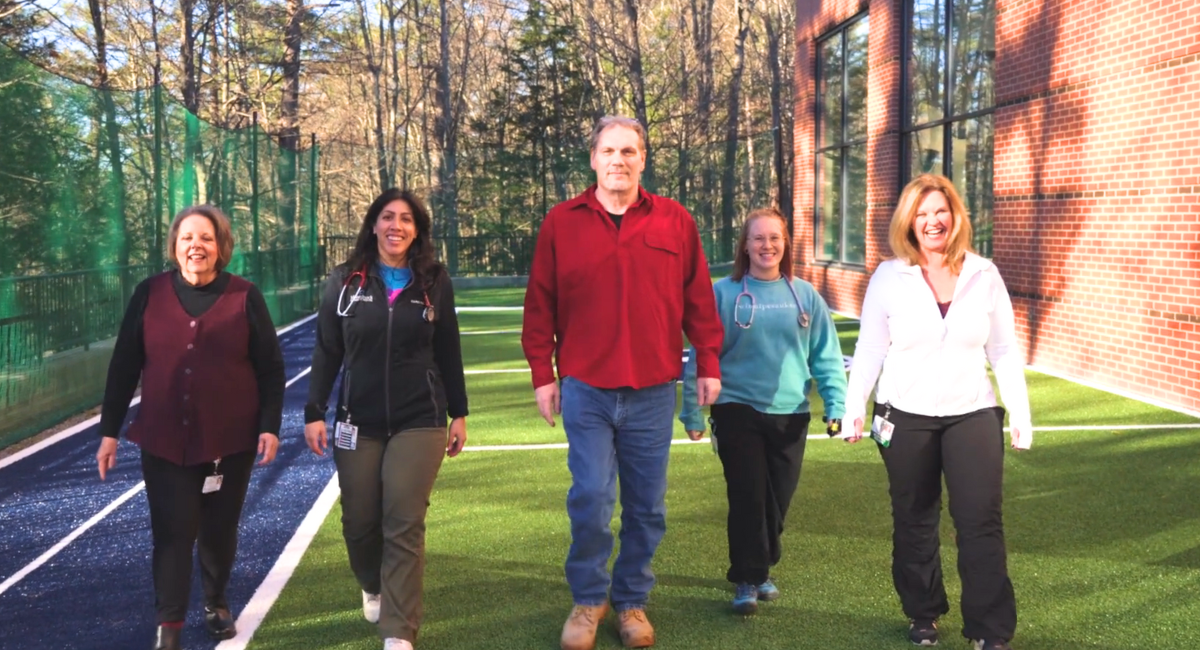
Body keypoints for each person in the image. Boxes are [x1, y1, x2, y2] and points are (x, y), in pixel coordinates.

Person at [522, 115, 725, 650]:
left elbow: (699, 299)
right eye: (609, 151)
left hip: (655, 390)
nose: (619, 160)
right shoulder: (561, 223)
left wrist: (708, 362)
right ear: (593, 159)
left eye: (629, 151)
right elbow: (539, 304)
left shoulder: (675, 221)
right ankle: (589, 600)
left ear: (643, 159)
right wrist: (544, 374)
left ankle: (631, 600)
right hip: (586, 387)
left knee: (647, 506)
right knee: (590, 496)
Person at [843, 174, 1032, 650]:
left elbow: (1004, 351)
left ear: (955, 217)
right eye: (922, 214)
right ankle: (923, 612)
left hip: (972, 413)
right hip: (904, 415)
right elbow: (868, 351)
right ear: (909, 223)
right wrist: (854, 408)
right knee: (914, 517)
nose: (932, 222)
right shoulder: (889, 277)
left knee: (980, 519)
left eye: (939, 212)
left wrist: (1021, 414)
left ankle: (990, 631)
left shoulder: (984, 274)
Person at [95, 205, 285, 650]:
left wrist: (270, 426)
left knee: (219, 531)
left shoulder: (244, 296)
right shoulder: (148, 294)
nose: (195, 246)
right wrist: (109, 430)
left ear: (221, 248)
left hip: (229, 441)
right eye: (186, 238)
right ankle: (170, 625)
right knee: (173, 530)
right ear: (175, 246)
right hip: (163, 439)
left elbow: (271, 369)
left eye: (206, 238)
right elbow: (124, 365)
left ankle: (216, 602)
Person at [304, 188, 468, 650]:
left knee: (404, 519)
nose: (397, 226)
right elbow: (327, 349)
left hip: (422, 418)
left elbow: (449, 349)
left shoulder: (435, 280)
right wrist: (314, 411)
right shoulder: (344, 281)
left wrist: (460, 412)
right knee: (360, 521)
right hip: (358, 420)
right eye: (388, 217)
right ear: (373, 224)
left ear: (417, 230)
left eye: (407, 220)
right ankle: (371, 583)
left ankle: (398, 631)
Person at [678, 206, 847, 615]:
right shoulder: (723, 293)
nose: (766, 245)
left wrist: (835, 403)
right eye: (758, 238)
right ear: (745, 245)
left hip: (791, 413)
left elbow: (826, 355)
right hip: (736, 407)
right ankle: (747, 578)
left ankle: (760, 566)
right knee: (748, 495)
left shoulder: (804, 295)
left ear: (784, 244)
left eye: (774, 238)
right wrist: (693, 412)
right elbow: (701, 357)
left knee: (777, 500)